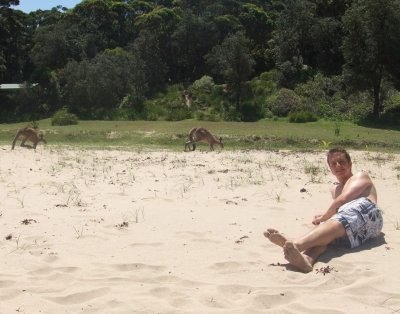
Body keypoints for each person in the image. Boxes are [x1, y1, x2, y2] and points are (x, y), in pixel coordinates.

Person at [264, 148, 383, 273]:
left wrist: (324, 217)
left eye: (342, 162)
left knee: (330, 221)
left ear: (350, 164)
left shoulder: (359, 176)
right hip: (355, 233)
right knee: (326, 233)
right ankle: (307, 260)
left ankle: (296, 244)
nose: (338, 165)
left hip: (369, 214)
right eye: (333, 163)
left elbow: (344, 200)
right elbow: (341, 211)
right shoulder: (335, 189)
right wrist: (325, 218)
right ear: (330, 169)